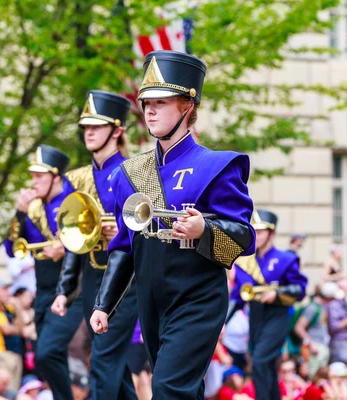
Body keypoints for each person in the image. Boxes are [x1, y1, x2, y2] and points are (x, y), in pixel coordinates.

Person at [89, 50, 256, 398]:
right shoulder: (129, 174)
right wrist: (104, 304)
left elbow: (244, 239)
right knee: (181, 391)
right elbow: (123, 246)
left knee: (167, 389)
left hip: (197, 297)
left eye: (161, 102)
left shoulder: (218, 166)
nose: (149, 110)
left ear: (187, 107)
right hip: (151, 300)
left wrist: (204, 231)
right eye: (145, 102)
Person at [51, 89, 137, 400]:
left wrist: (123, 229)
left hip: (126, 282)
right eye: (86, 126)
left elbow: (147, 227)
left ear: (117, 131)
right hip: (91, 280)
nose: (88, 132)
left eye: (96, 126)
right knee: (115, 367)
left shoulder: (135, 172)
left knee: (102, 360)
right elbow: (71, 236)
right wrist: (64, 289)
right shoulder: (75, 178)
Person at [4, 144, 84, 399]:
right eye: (33, 176)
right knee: (48, 358)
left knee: (48, 352)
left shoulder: (74, 202)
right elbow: (11, 248)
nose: (34, 181)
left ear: (56, 177)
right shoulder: (32, 208)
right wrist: (19, 212)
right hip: (43, 291)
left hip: (72, 292)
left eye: (40, 176)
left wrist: (67, 249)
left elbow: (89, 245)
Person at [229, 209, 308, 400]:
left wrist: (278, 292)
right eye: (253, 230)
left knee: (259, 362)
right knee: (267, 366)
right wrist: (222, 323)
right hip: (256, 318)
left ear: (272, 234)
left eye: (261, 231)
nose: (256, 235)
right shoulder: (246, 263)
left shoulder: (285, 259)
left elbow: (300, 289)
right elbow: (236, 297)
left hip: (277, 317)